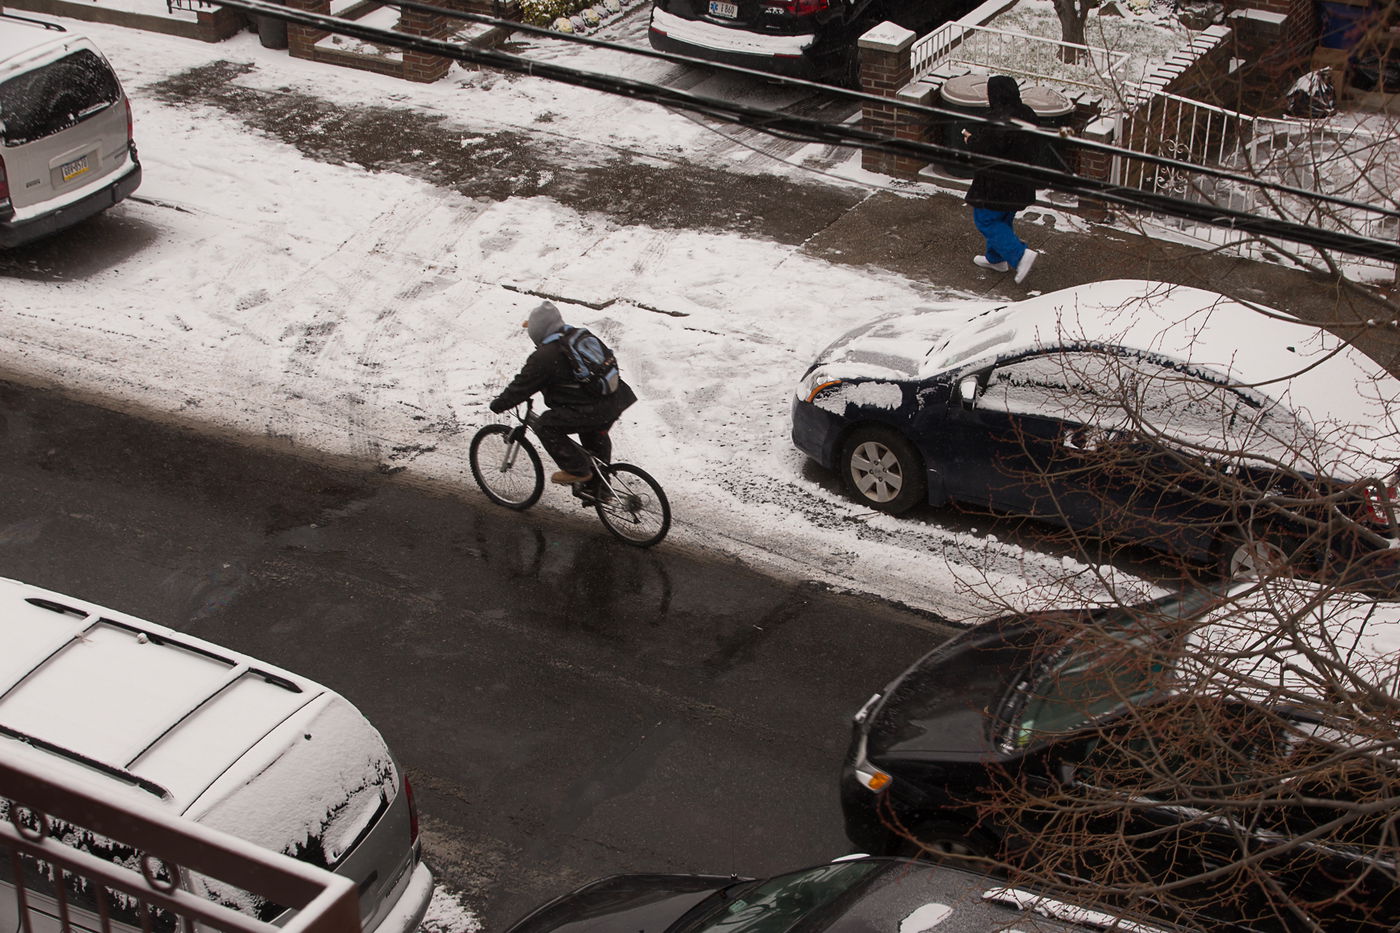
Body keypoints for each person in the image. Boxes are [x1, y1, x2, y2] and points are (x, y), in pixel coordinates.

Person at [489, 301, 637, 486]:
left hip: (593, 408)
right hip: (614, 399)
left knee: (545, 426)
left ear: (538, 331)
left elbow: (521, 386)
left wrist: (499, 404)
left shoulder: (546, 356)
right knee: (594, 438)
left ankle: (577, 471)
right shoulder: (577, 335)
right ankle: (600, 489)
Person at [962, 75, 1041, 284]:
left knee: (986, 220)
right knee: (1003, 219)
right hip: (1020, 182)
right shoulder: (1027, 114)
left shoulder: (997, 120)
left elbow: (984, 150)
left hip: (996, 184)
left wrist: (970, 139)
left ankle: (1019, 255)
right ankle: (996, 259)